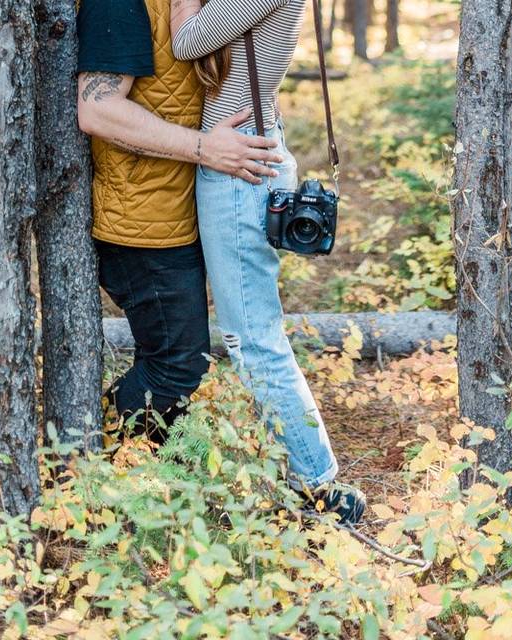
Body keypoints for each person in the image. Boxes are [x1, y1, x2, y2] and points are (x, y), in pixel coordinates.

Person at [170, 0, 366, 524]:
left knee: (251, 338)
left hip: (239, 172)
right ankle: (300, 476)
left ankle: (322, 488)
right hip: (244, 158)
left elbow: (186, 42)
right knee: (252, 335)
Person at [75, 0, 284, 442]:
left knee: (176, 362)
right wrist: (206, 148)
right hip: (141, 221)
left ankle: (144, 483)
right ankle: (82, 463)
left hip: (185, 208)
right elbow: (98, 110)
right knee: (175, 367)